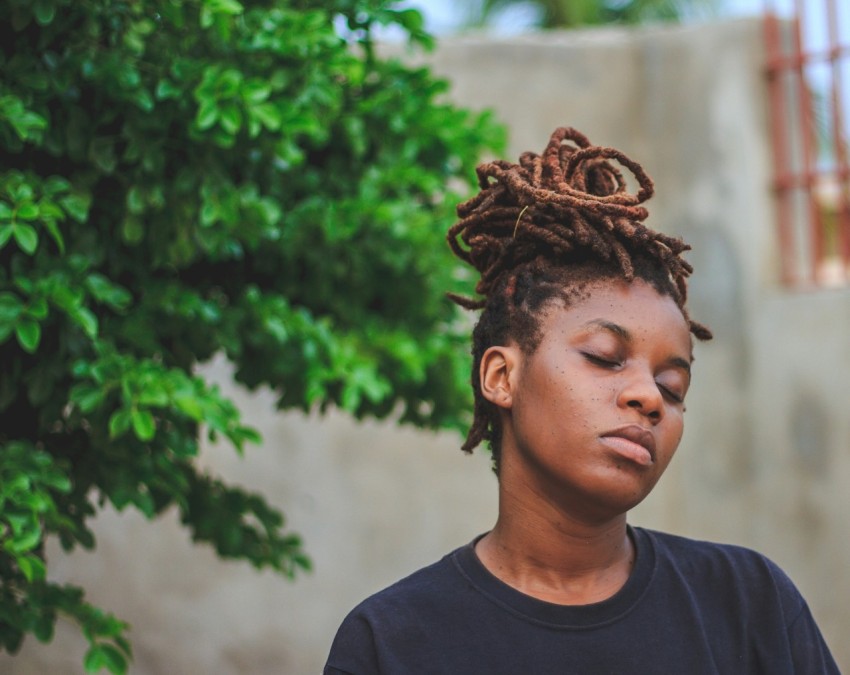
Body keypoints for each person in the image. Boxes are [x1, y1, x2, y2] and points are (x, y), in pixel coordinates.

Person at [323, 127, 839, 674]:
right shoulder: (393, 642)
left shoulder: (750, 605)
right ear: (501, 376)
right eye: (604, 356)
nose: (648, 398)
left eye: (673, 387)